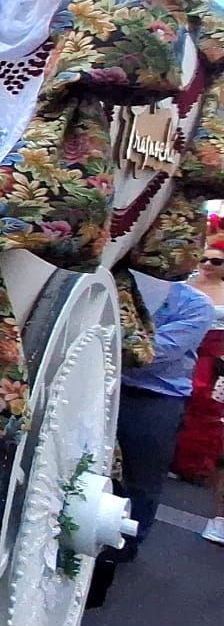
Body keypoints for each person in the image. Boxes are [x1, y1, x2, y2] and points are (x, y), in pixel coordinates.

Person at [111, 279, 212, 562]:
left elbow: (157, 352)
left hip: (155, 397)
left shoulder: (195, 305)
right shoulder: (119, 284)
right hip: (107, 383)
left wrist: (100, 341)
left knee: (140, 474)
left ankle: (126, 543)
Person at [173, 240, 224, 544]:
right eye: (204, 259)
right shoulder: (184, 285)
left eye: (215, 262)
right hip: (180, 355)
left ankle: (195, 467)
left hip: (214, 363)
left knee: (206, 414)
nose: (207, 265)